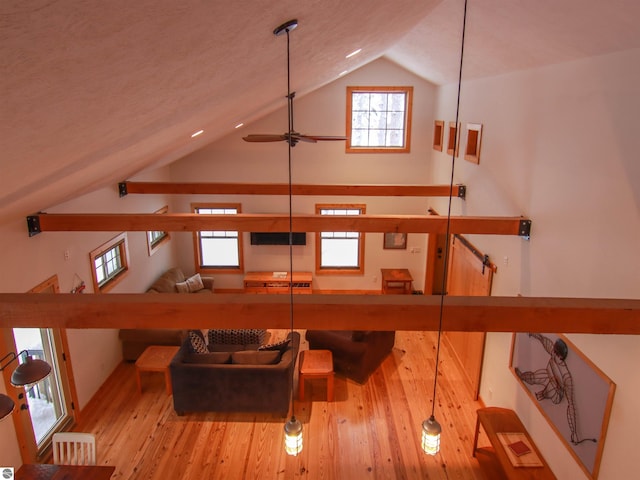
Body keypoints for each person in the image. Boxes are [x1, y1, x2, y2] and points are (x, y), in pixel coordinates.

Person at [515, 333, 595, 445]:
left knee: (551, 388)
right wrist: (533, 333)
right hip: (548, 375)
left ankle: (543, 394)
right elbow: (543, 340)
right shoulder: (553, 352)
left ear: (561, 357)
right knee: (534, 376)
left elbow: (571, 405)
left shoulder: (566, 377)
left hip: (556, 392)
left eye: (556, 353)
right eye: (553, 351)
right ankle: (523, 376)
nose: (553, 353)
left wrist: (574, 433)